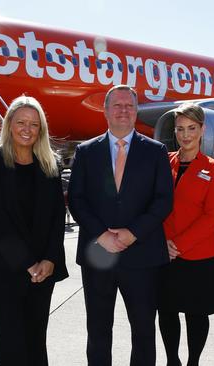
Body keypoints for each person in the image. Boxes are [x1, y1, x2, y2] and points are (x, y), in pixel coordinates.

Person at [68, 85, 174, 366]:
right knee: (98, 330)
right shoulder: (86, 151)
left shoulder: (156, 151)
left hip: (142, 256)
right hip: (98, 255)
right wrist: (101, 234)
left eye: (129, 105)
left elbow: (163, 201)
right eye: (117, 105)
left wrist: (133, 233)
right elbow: (76, 199)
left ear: (136, 110)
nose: (123, 110)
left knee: (143, 331)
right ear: (105, 111)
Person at [0, 95, 68, 366]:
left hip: (43, 269)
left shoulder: (50, 163)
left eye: (34, 124)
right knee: (10, 344)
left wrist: (49, 259)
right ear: (9, 124)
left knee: (36, 341)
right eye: (21, 122)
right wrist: (28, 263)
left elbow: (57, 216)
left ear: (42, 129)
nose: (27, 129)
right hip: (3, 268)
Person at [159, 102, 214, 366]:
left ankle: (193, 362)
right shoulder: (164, 162)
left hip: (198, 256)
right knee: (166, 310)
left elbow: (212, 217)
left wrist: (179, 245)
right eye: (180, 129)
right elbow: (155, 206)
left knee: (195, 314)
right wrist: (164, 243)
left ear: (201, 130)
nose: (185, 135)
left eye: (191, 128)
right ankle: (172, 360)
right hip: (165, 253)